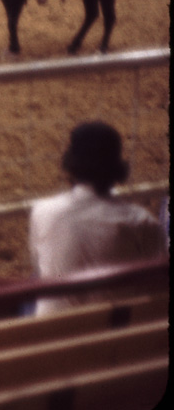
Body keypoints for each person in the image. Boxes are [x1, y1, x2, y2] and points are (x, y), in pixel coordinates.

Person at [27, 121, 167, 316]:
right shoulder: (141, 221)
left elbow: (39, 268)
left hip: (52, 333)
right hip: (116, 339)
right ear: (117, 170)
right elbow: (158, 288)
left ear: (71, 165)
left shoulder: (41, 211)